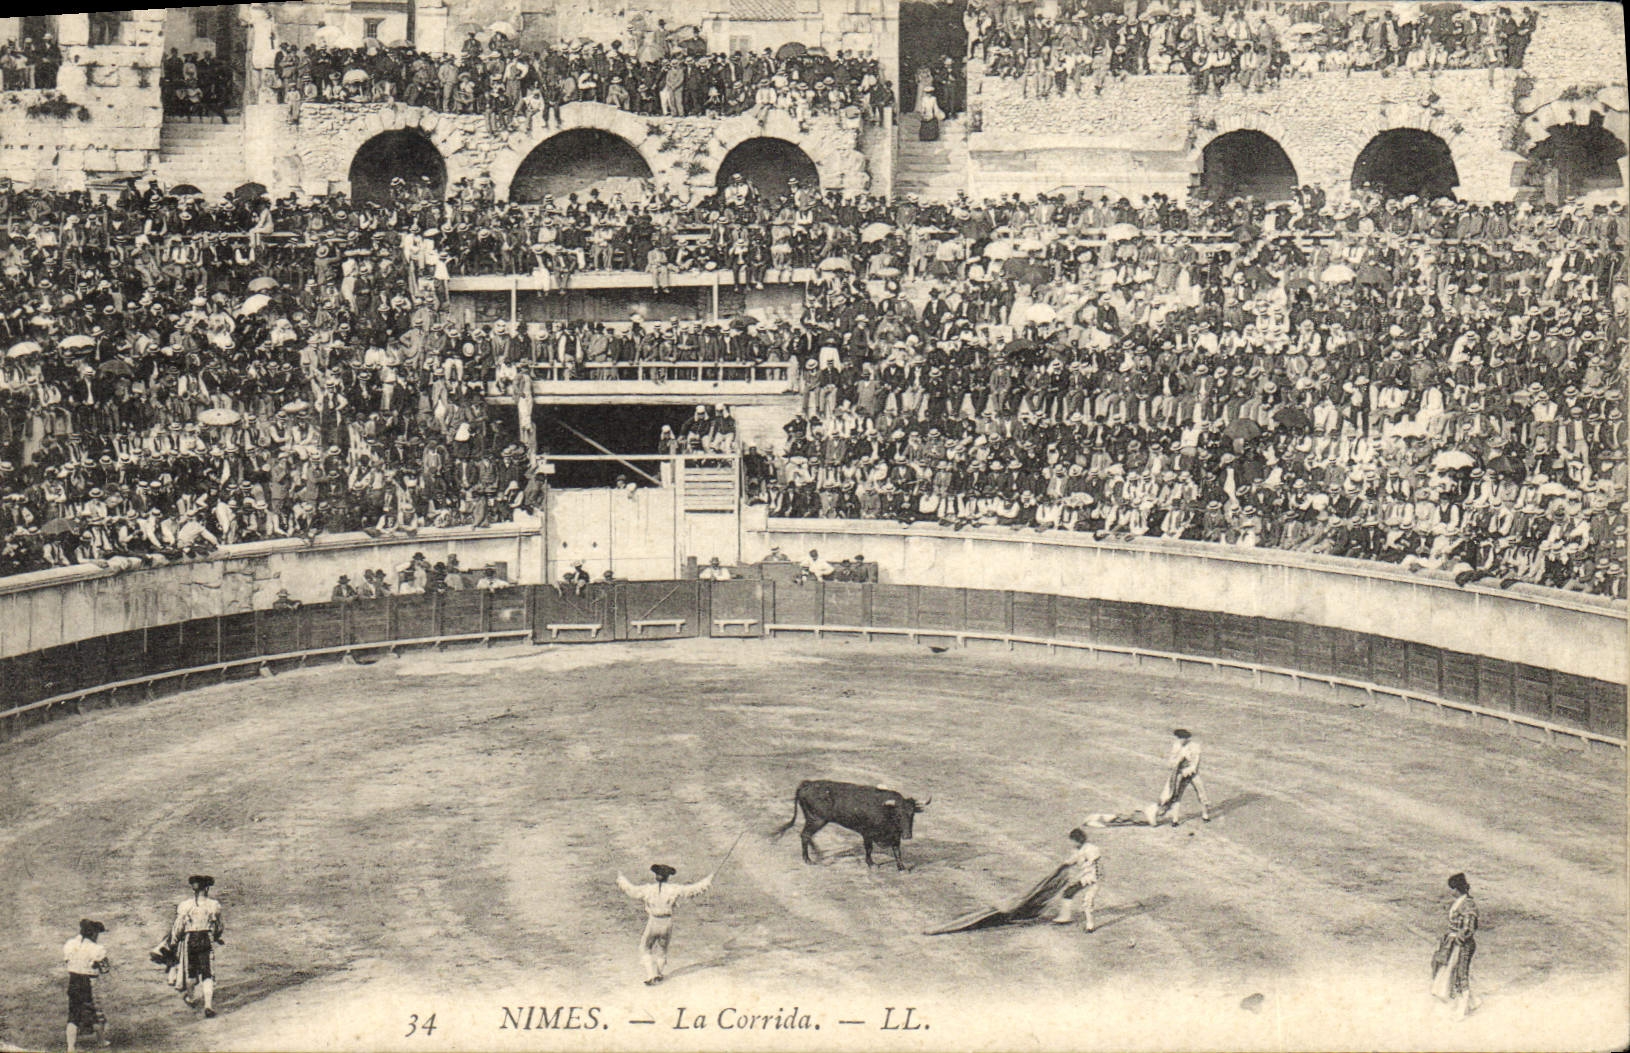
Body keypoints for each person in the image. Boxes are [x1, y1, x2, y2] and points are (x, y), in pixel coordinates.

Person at [615, 862, 713, 985]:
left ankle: (651, 975)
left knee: (645, 948)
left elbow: (631, 889)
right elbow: (693, 889)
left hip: (653, 921)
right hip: (667, 922)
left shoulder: (648, 889)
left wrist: (621, 878)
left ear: (656, 876)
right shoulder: (674, 889)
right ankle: (659, 974)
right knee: (662, 949)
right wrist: (708, 880)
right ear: (668, 877)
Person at [169, 874, 224, 1018]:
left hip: (190, 939)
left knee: (191, 970)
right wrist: (217, 937)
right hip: (206, 938)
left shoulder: (185, 905)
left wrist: (175, 940)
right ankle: (208, 1005)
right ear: (206, 889)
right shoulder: (213, 905)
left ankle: (191, 998)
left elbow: (178, 926)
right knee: (207, 972)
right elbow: (219, 926)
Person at [1431, 872, 1478, 1017]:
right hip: (1453, 943)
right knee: (1451, 971)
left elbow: (1469, 927)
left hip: (1462, 944)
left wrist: (1458, 940)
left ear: (1457, 889)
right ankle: (1472, 1002)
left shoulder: (1468, 904)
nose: (1450, 892)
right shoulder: (1461, 902)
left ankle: (1462, 1010)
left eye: (1452, 889)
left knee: (1460, 974)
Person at [64, 919, 110, 1052]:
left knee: (73, 1013)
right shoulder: (96, 949)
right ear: (93, 934)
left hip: (73, 982)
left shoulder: (70, 944)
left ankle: (70, 1047)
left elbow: (67, 960)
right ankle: (101, 1041)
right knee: (95, 1012)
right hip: (88, 983)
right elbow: (105, 968)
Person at [1152, 728, 1210, 826]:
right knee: (1176, 796)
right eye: (1179, 738)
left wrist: (1186, 770)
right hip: (1180, 774)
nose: (1180, 740)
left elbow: (1195, 765)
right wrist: (1178, 762)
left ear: (1187, 738)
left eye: (1182, 738)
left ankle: (1205, 815)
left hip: (1192, 774)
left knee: (1201, 793)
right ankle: (1175, 819)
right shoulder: (1176, 745)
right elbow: (1171, 762)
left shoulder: (1195, 747)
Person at [1052, 829, 1102, 931]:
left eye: (1073, 840)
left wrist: (1078, 877)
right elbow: (1074, 859)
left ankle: (1090, 925)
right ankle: (1065, 917)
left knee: (1088, 900)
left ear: (1078, 840)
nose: (1072, 843)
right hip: (1086, 877)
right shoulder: (1078, 849)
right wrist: (1065, 865)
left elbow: (1092, 865)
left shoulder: (1091, 849)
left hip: (1094, 878)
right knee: (1068, 892)